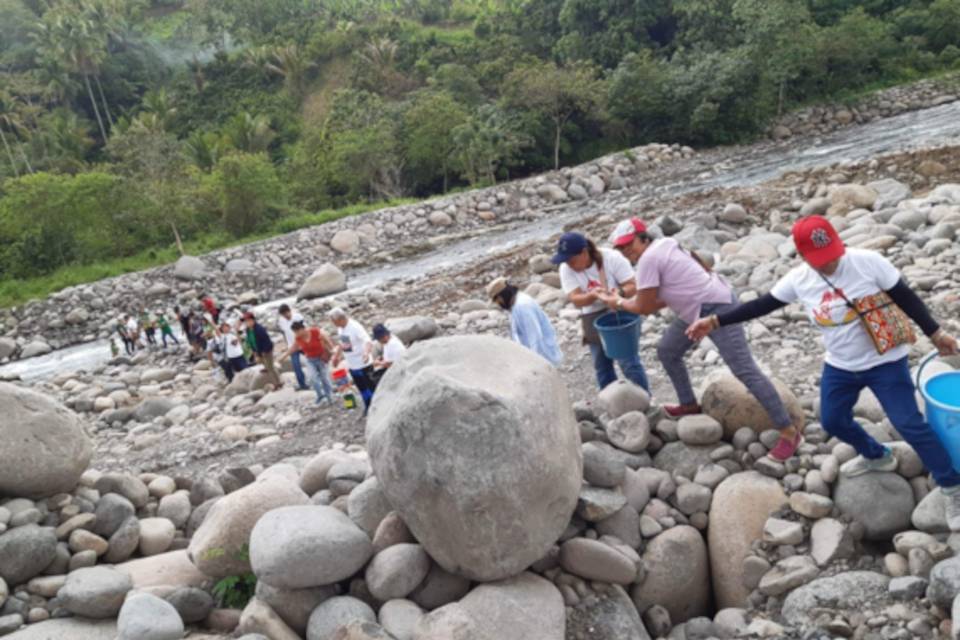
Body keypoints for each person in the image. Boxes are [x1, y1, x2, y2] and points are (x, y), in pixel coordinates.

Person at [687, 215, 960, 528]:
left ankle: (951, 485)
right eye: (820, 259)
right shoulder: (799, 280)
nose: (830, 263)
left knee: (909, 424)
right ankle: (877, 455)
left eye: (833, 254)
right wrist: (716, 321)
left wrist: (936, 334)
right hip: (841, 366)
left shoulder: (868, 262)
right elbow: (761, 306)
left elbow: (907, 298)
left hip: (886, 361)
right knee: (832, 420)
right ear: (803, 256)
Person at [599, 217, 801, 460]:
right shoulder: (664, 244)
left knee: (745, 370)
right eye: (620, 248)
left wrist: (617, 302)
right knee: (667, 350)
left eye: (628, 244)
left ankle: (789, 432)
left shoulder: (649, 259)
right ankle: (688, 405)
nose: (625, 251)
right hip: (696, 308)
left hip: (718, 307)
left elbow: (644, 306)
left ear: (644, 238)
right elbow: (676, 281)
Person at [553, 231, 650, 392]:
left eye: (571, 259)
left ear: (584, 252)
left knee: (628, 361)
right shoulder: (565, 268)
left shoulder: (612, 258)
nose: (568, 264)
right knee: (601, 364)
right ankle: (611, 399)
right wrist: (592, 295)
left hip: (621, 311)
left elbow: (633, 285)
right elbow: (575, 298)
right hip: (593, 318)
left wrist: (618, 294)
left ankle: (644, 397)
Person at [487, 277, 563, 366]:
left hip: (545, 360)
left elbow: (535, 339)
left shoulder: (523, 306)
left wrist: (536, 366)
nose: (498, 304)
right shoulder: (515, 304)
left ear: (502, 295)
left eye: (497, 300)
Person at [330, 308, 375, 413]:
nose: (332, 323)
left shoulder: (355, 327)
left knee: (371, 387)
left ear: (340, 319)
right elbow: (343, 343)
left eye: (333, 321)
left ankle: (376, 406)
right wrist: (336, 356)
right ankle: (368, 406)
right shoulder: (341, 328)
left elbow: (368, 341)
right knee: (361, 388)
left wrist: (366, 353)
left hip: (364, 363)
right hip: (352, 364)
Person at [279, 320, 336, 405]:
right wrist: (283, 357)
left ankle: (329, 395)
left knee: (324, 378)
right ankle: (320, 395)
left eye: (296, 332)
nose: (295, 334)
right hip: (310, 360)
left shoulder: (315, 331)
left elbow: (326, 339)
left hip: (321, 358)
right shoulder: (298, 338)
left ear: (301, 329)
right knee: (313, 378)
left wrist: (333, 350)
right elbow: (293, 348)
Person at [244, 311, 282, 388]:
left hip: (266, 349)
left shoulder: (259, 329)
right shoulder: (248, 330)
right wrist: (254, 351)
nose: (248, 323)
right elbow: (250, 341)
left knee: (270, 367)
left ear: (253, 320)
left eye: (249, 321)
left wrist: (264, 351)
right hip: (258, 349)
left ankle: (277, 383)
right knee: (261, 361)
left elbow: (266, 341)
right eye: (246, 321)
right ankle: (266, 367)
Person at [277, 304, 308, 391]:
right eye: (283, 315)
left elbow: (305, 330)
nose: (285, 316)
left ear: (289, 311)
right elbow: (284, 333)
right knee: (296, 366)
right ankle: (302, 384)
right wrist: (287, 345)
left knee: (313, 360)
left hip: (303, 344)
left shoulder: (298, 317)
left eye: (286, 314)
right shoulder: (281, 321)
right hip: (292, 346)